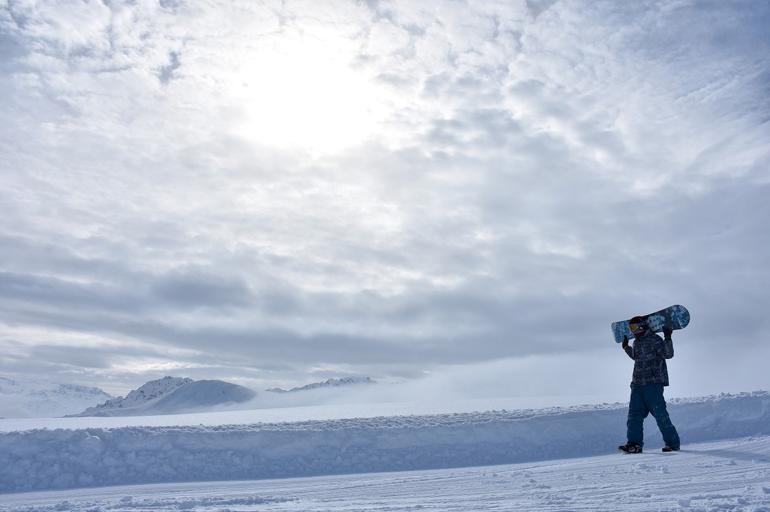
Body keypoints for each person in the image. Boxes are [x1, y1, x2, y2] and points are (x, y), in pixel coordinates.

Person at [618, 316, 681, 453]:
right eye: (630, 328)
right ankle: (634, 444)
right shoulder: (637, 343)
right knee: (634, 416)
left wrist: (668, 338)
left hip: (653, 385)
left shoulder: (655, 340)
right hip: (637, 384)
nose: (632, 331)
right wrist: (626, 347)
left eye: (634, 328)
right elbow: (636, 357)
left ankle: (672, 443)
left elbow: (668, 354)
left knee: (660, 415)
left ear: (642, 326)